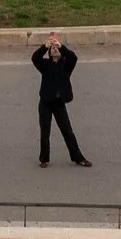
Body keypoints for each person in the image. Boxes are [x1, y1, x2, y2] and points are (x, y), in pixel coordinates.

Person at [31, 31, 89, 167]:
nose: (55, 49)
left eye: (56, 48)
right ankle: (44, 159)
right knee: (45, 132)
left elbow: (73, 57)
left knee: (67, 131)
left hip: (58, 103)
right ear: (50, 53)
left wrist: (60, 45)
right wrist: (45, 46)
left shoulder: (66, 66)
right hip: (45, 102)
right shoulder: (45, 66)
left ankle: (78, 158)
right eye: (53, 48)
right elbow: (35, 58)